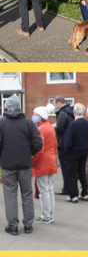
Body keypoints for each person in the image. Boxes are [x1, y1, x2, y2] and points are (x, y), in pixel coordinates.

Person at [0, 94, 43, 235]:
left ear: (7, 107)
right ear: (19, 107)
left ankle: (13, 226)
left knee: (10, 195)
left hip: (8, 165)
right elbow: (38, 143)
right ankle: (28, 225)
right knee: (27, 193)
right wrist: (27, 152)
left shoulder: (1, 122)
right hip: (25, 164)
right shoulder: (28, 122)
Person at [31, 104, 58, 224]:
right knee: (49, 189)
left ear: (41, 117)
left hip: (42, 162)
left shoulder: (40, 129)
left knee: (43, 191)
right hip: (50, 160)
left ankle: (46, 216)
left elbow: (39, 149)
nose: (33, 116)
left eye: (35, 115)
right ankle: (50, 214)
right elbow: (55, 145)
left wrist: (32, 161)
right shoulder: (49, 127)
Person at [64, 103, 88, 203]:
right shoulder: (87, 123)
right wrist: (87, 147)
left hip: (73, 152)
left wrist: (66, 150)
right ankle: (85, 193)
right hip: (84, 151)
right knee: (82, 172)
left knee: (72, 173)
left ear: (74, 112)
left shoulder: (72, 124)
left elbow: (68, 141)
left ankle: (73, 195)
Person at [53, 97, 74, 196]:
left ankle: (66, 188)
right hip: (70, 142)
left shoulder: (62, 113)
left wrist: (53, 127)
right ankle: (71, 187)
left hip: (63, 143)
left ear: (60, 104)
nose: (55, 107)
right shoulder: (71, 112)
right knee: (70, 167)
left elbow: (60, 129)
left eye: (55, 105)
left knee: (65, 167)